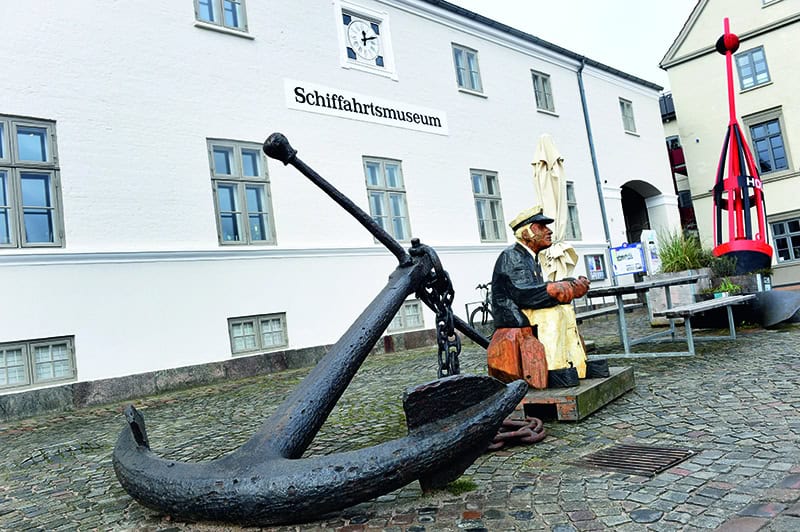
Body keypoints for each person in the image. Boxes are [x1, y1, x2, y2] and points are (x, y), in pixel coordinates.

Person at [487, 206, 607, 389]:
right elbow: (524, 293)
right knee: (552, 315)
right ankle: (553, 368)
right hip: (513, 315)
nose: (548, 231)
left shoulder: (529, 257)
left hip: (523, 310)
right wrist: (557, 289)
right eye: (541, 227)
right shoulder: (512, 256)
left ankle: (578, 364)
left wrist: (568, 284)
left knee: (566, 310)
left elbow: (534, 290)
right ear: (526, 233)